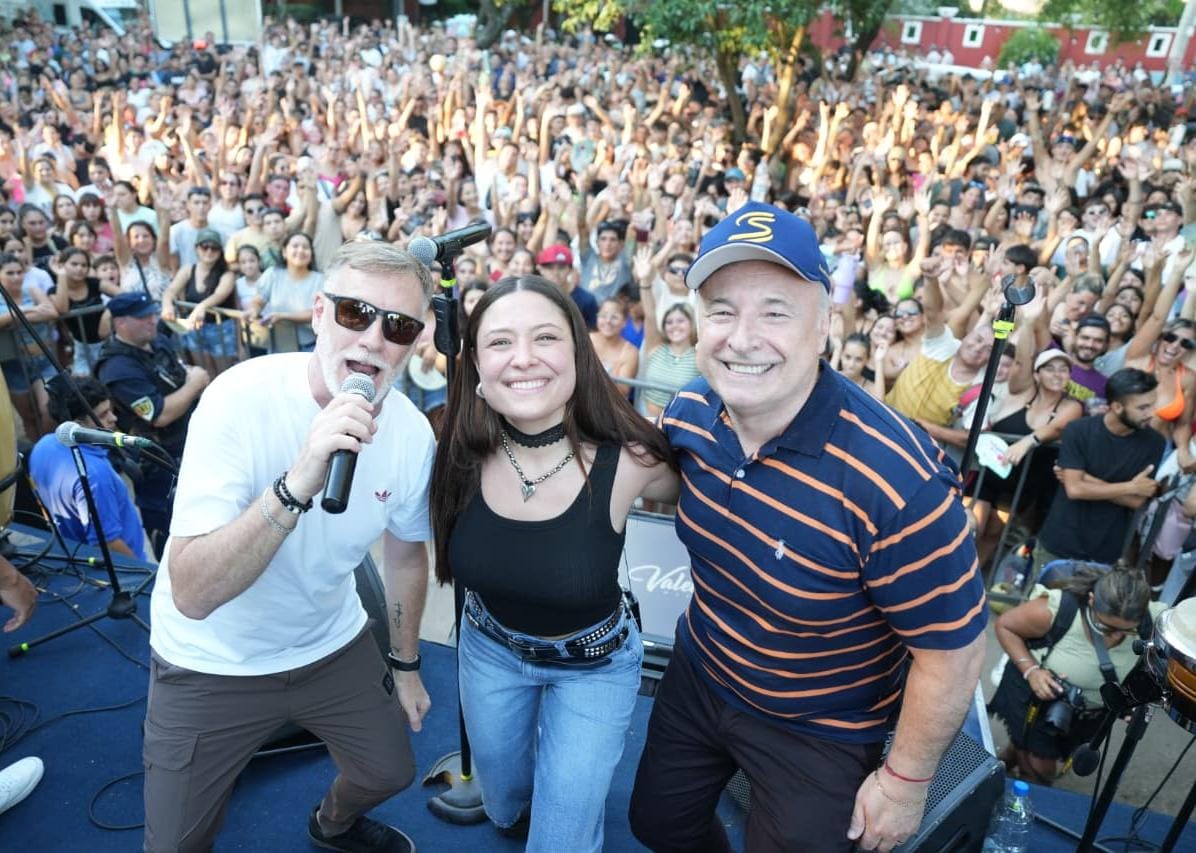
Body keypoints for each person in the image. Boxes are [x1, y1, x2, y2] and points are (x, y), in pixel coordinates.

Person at [628, 202, 987, 853]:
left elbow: (953, 651)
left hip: (821, 725)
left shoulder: (898, 479)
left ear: (826, 326)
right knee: (655, 824)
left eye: (775, 310)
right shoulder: (690, 412)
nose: (742, 337)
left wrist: (905, 783)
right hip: (702, 670)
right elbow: (651, 480)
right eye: (722, 310)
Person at [142, 241, 436, 852]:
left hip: (330, 643)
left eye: (399, 325)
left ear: (414, 341)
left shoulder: (410, 433)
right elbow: (193, 593)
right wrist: (300, 479)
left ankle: (330, 823)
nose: (374, 340)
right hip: (213, 659)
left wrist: (405, 666)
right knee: (174, 846)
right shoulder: (236, 397)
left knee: (391, 772)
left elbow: (407, 553)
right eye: (357, 313)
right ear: (320, 312)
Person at [429, 275, 677, 852]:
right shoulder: (451, 447)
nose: (523, 359)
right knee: (504, 802)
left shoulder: (633, 458)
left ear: (576, 352)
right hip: (487, 649)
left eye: (544, 337)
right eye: (499, 342)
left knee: (561, 838)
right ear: (476, 367)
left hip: (595, 665)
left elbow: (716, 492)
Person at [990, 564, 1162, 784]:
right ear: (1091, 601)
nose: (1117, 635)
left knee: (1026, 747)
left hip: (1090, 713)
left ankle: (1004, 763)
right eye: (1106, 627)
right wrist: (1032, 671)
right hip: (1034, 699)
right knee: (1041, 771)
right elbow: (1005, 626)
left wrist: (1135, 700)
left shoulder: (1155, 619)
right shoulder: (1056, 609)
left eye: (1128, 631)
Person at [94, 293, 210, 555]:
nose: (153, 321)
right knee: (168, 528)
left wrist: (189, 380)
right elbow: (159, 415)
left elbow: (178, 370)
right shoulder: (117, 368)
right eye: (144, 317)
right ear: (121, 323)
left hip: (188, 442)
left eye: (153, 314)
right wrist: (194, 383)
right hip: (157, 458)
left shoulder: (157, 340)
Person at [1033, 368, 1166, 573]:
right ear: (1117, 406)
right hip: (1059, 543)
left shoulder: (1155, 443)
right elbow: (1075, 491)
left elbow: (1137, 501)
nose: (1151, 413)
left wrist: (1085, 479)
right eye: (1143, 407)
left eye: (1152, 405)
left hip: (1105, 553)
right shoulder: (1079, 430)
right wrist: (1130, 486)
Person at [29, 375, 147, 560]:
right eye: (102, 415)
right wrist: (144, 571)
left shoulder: (43, 445)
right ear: (77, 424)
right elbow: (107, 542)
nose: (113, 418)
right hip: (128, 570)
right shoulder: (95, 475)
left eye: (111, 410)